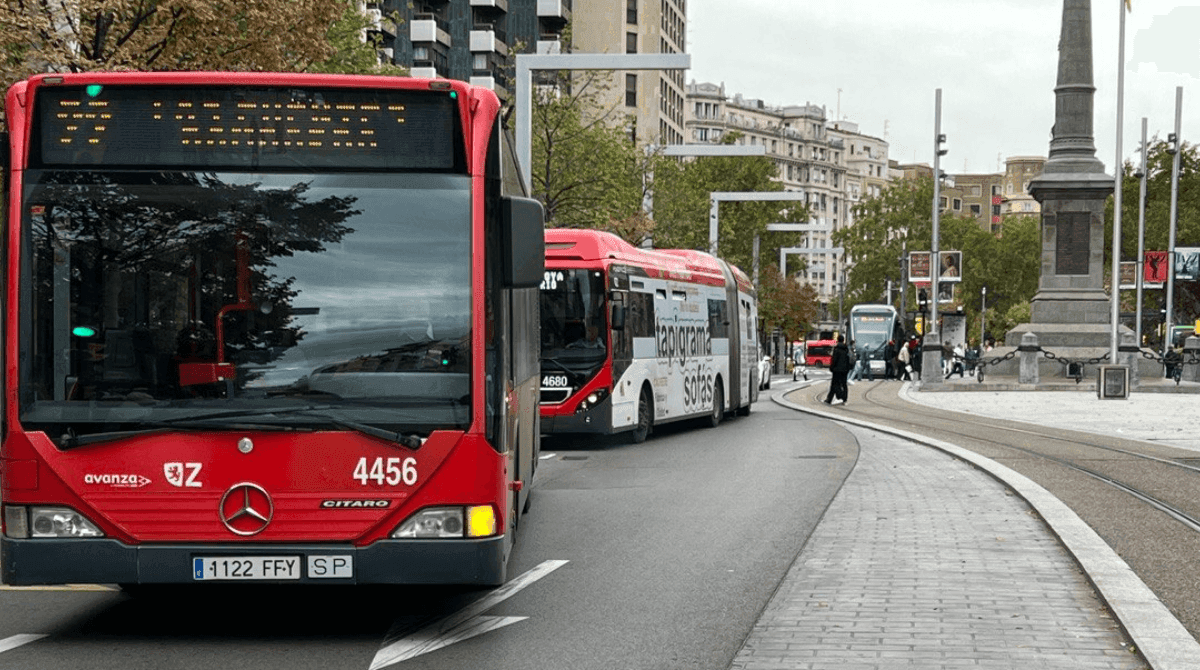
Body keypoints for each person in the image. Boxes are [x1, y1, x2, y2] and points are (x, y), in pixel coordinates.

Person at [825, 335, 851, 405]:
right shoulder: (846, 349)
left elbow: (834, 360)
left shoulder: (836, 349)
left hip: (837, 370)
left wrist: (831, 368)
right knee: (844, 384)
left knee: (834, 384)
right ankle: (844, 398)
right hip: (845, 370)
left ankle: (837, 396)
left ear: (837, 339)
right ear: (843, 340)